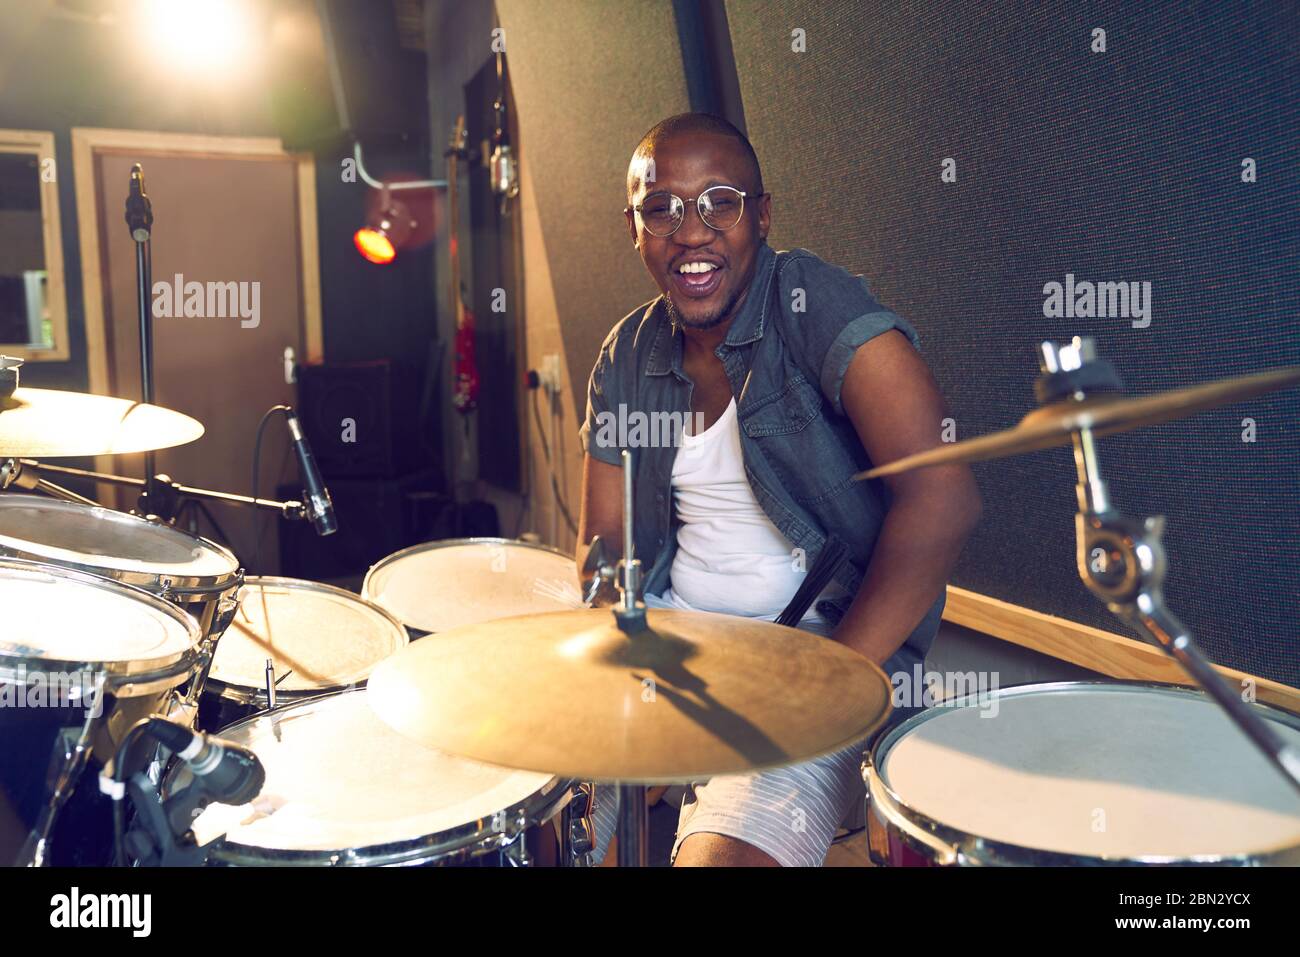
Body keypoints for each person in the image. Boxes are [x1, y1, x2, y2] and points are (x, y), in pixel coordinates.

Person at [576, 112, 982, 867]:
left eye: (719, 201)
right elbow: (603, 539)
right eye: (661, 207)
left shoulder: (813, 303)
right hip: (672, 641)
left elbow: (943, 497)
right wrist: (626, 666)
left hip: (817, 651)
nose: (691, 231)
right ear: (633, 227)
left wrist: (823, 686)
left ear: (761, 216)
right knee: (545, 820)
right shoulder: (628, 352)